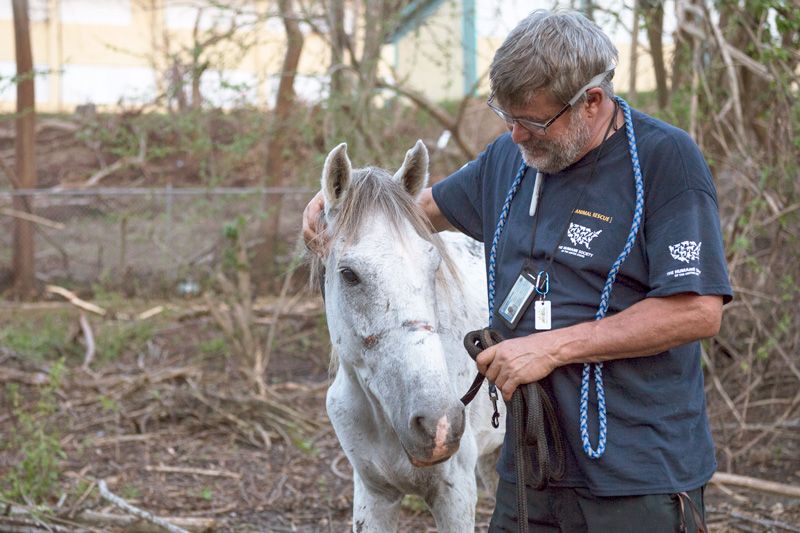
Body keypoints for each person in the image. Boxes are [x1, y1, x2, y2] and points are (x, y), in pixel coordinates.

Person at [303, 9, 732, 532]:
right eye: (505, 117)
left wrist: (551, 347)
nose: (516, 136)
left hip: (636, 476)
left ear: (592, 101)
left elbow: (696, 311)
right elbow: (408, 213)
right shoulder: (509, 160)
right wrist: (337, 209)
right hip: (529, 474)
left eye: (531, 122)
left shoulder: (667, 162)